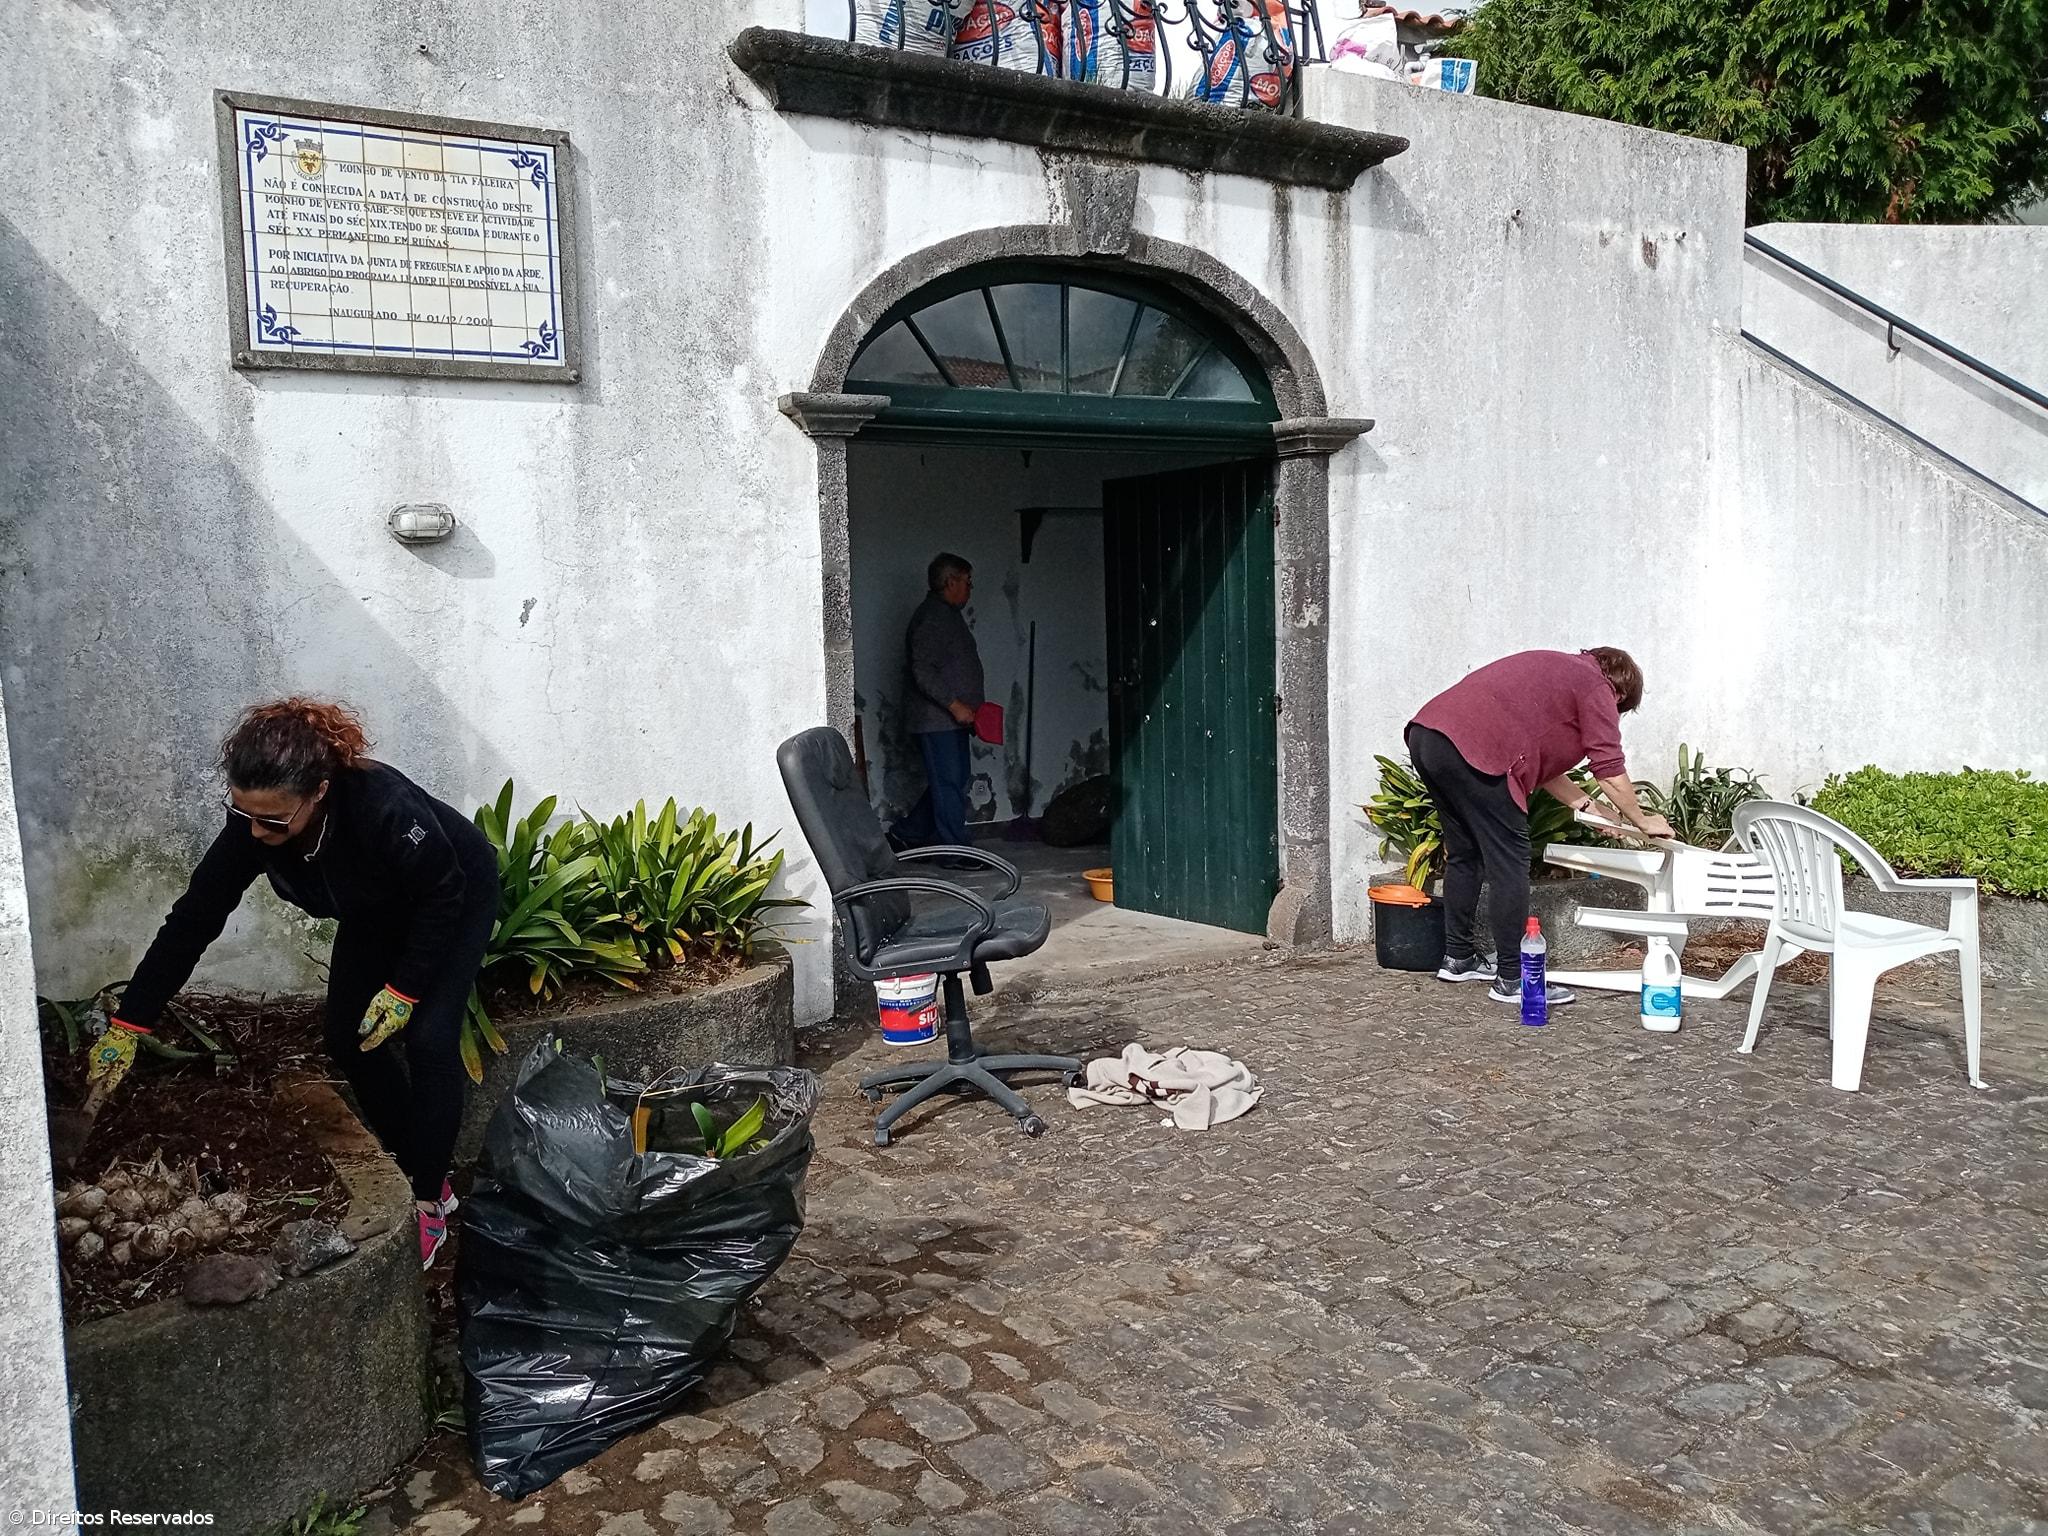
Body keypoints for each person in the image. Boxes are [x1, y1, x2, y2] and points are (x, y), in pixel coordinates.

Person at [82, 698, 498, 1268]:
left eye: (274, 820)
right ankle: (416, 1160)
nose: (256, 831)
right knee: (349, 1038)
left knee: (429, 1037)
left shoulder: (384, 807)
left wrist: (404, 990)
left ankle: (429, 1199)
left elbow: (443, 892)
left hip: (450, 898)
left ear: (320, 790)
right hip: (375, 906)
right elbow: (194, 919)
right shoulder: (252, 828)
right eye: (245, 813)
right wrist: (131, 1021)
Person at [1405, 647, 1674, 1008]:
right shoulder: (1597, 686)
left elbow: (1545, 769)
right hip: (1478, 749)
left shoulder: (1560, 671)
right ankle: (1514, 979)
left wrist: (1594, 809)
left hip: (1429, 735)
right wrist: (1642, 819)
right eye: (1619, 710)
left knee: (1466, 851)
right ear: (1620, 693)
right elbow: (1607, 763)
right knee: (1510, 863)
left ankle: (1458, 958)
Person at [890, 552, 984, 852]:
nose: (970, 589)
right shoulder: (932, 617)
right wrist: (954, 704)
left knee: (953, 780)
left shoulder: (946, 615)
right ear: (950, 581)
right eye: (967, 582)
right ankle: (954, 851)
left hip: (951, 719)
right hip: (937, 719)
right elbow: (922, 669)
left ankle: (908, 834)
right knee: (948, 783)